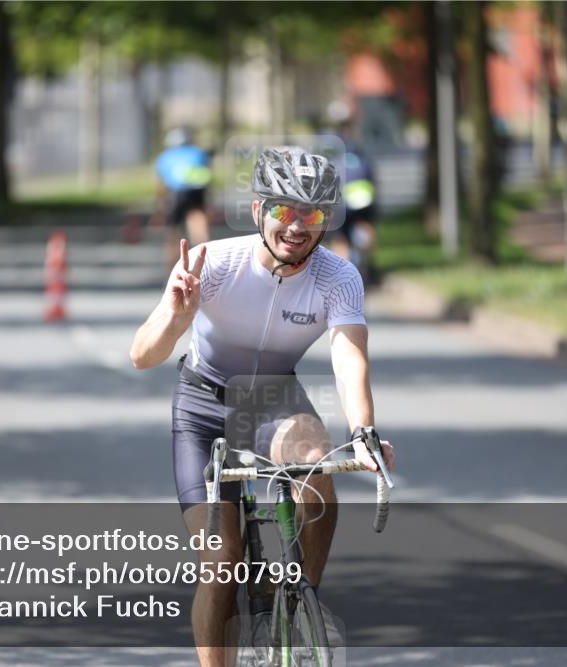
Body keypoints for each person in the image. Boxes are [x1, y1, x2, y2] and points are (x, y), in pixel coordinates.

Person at [130, 146, 395, 667]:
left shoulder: (337, 277)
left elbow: (348, 355)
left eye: (312, 214)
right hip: (202, 406)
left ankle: (299, 600)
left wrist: (363, 431)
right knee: (223, 560)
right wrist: (176, 317)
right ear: (258, 211)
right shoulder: (212, 263)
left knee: (317, 469)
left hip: (273, 399)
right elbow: (143, 355)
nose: (297, 227)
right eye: (284, 211)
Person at [323, 102, 379, 285]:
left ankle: (343, 277)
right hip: (363, 197)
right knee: (365, 225)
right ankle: (367, 264)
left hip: (340, 200)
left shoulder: (328, 144)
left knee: (340, 238)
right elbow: (370, 172)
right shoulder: (359, 144)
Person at [153, 128, 212, 269]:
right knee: (199, 227)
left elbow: (161, 186)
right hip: (196, 191)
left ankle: (172, 267)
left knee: (172, 232)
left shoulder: (164, 157)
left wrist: (160, 208)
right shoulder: (199, 153)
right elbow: (206, 179)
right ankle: (205, 263)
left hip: (177, 193)